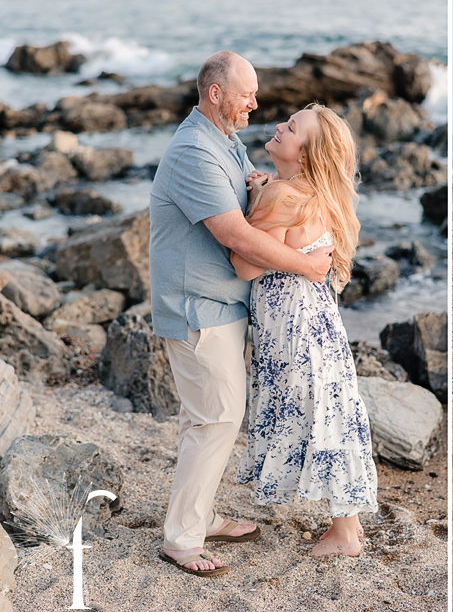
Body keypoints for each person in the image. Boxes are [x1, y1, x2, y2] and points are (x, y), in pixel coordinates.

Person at [150, 51, 334, 577]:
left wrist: (264, 185)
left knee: (206, 419)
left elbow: (251, 185)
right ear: (216, 94)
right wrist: (305, 264)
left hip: (220, 304)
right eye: (247, 93)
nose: (256, 102)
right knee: (218, 418)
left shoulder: (223, 141)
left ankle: (199, 514)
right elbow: (234, 235)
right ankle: (182, 540)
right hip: (195, 308)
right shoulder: (193, 151)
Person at [231, 103, 378, 558]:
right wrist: (264, 192)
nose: (279, 127)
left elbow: (243, 264)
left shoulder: (283, 197)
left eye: (291, 128)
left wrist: (258, 201)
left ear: (307, 153)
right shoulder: (320, 193)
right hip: (321, 324)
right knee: (333, 415)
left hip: (291, 327)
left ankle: (345, 535)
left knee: (315, 415)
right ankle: (346, 528)